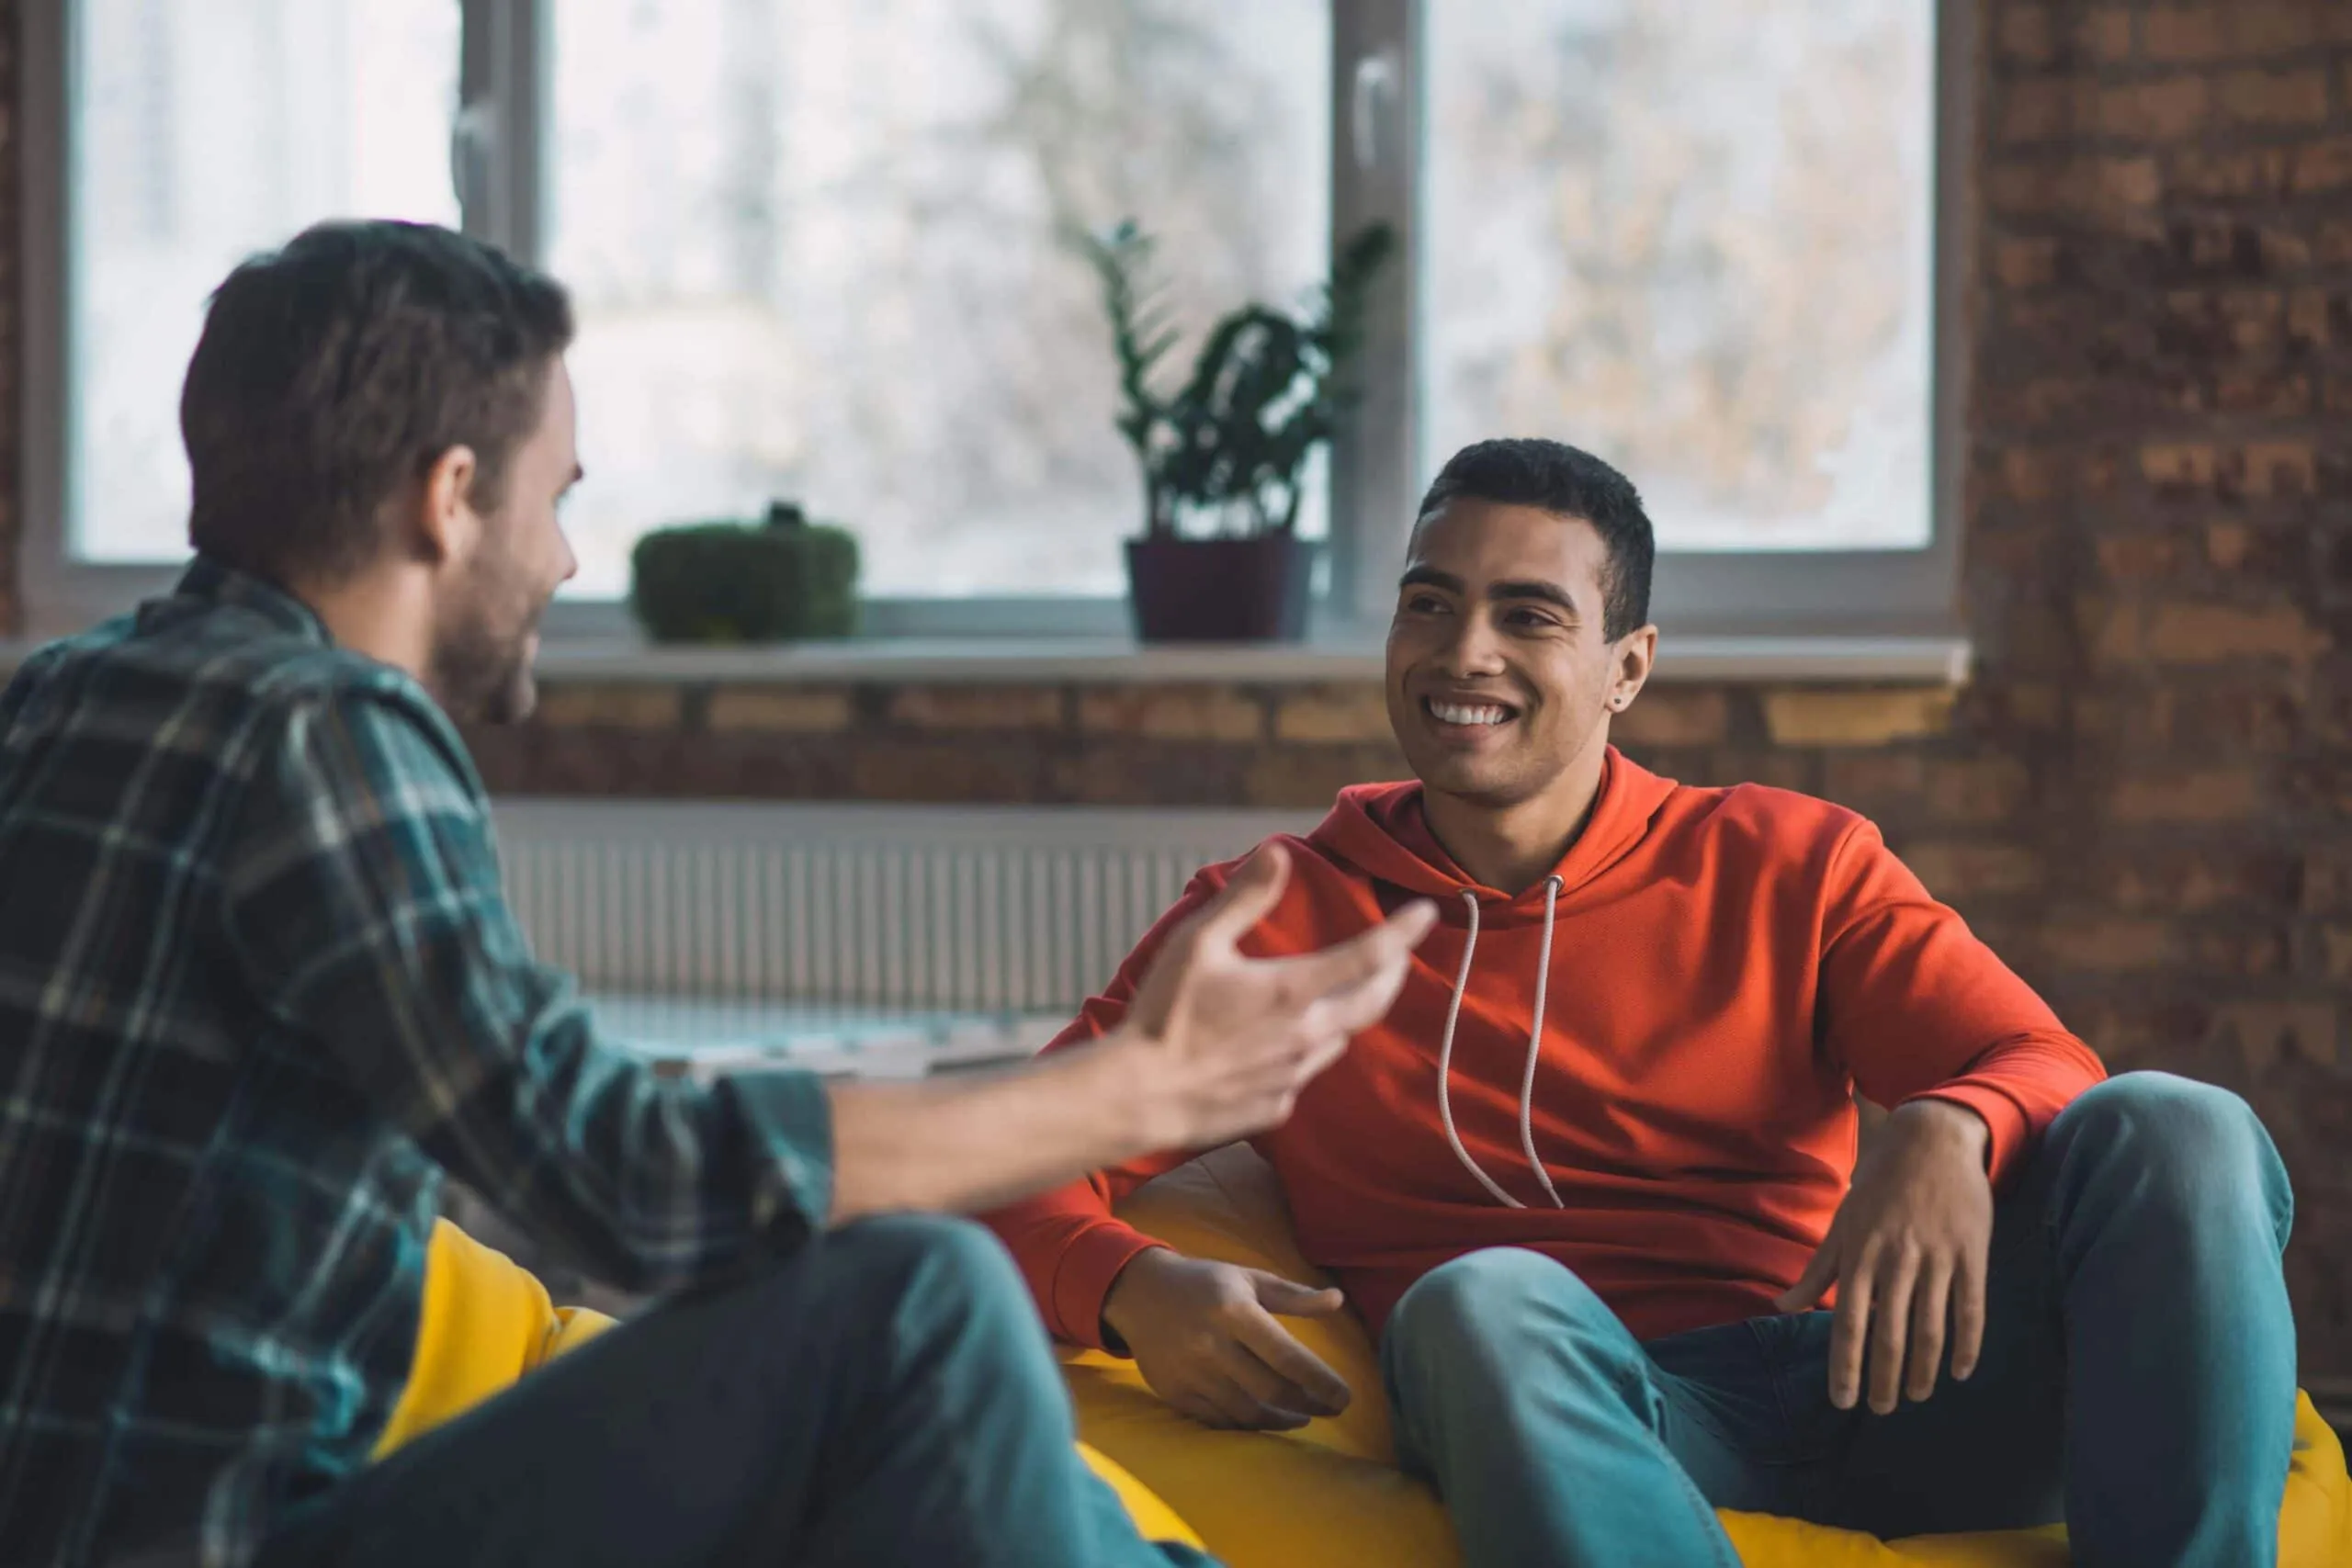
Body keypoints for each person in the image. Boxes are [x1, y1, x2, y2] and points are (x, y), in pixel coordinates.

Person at [0, 220, 1440, 1568]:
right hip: (221, 1532)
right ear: (448, 498)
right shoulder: (324, 728)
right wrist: (1132, 1096)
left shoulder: (58, 700)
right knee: (919, 1305)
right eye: (556, 500)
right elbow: (619, 1179)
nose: (564, 558)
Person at [984, 437, 2300, 1568]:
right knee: (1480, 1294)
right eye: (1428, 605)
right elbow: (1008, 1154)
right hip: (1585, 1413)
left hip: (1893, 1378)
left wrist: (1953, 1124)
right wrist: (1132, 1289)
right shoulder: (1273, 917)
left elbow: (2040, 1055)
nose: (1465, 653)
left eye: (1528, 615)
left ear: (1629, 664)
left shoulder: (1791, 859)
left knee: (2180, 1124)